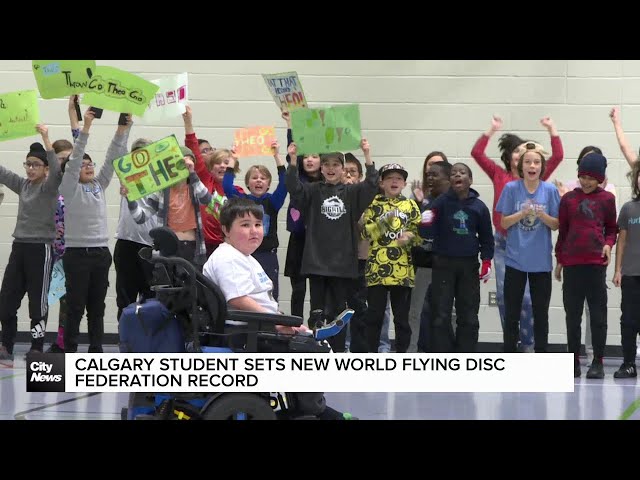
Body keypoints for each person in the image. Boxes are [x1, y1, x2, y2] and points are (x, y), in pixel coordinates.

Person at [203, 197, 356, 420]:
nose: (254, 231)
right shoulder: (228, 258)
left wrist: (283, 320)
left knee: (308, 339)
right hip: (245, 333)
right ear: (226, 229)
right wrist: (277, 322)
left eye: (257, 224)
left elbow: (258, 301)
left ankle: (302, 409)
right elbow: (238, 300)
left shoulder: (243, 257)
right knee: (311, 352)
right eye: (245, 225)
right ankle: (313, 410)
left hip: (255, 327)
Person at [471, 115, 564, 352]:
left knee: (529, 300)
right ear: (513, 159)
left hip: (531, 244)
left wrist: (552, 129)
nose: (523, 159)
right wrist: (491, 130)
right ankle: (512, 345)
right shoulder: (501, 177)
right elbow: (477, 154)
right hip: (504, 242)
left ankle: (529, 343)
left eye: (532, 159)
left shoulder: (540, 179)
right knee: (506, 298)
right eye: (516, 153)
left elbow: (558, 157)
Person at [0, 125, 62, 366]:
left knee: (38, 302)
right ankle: (6, 344)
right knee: (6, 300)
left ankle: (37, 347)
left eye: (35, 165)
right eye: (27, 164)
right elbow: (3, 173)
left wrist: (46, 138)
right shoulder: (23, 185)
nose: (30, 169)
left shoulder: (49, 187)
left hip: (41, 250)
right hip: (20, 248)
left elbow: (57, 172)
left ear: (45, 168)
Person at [555, 153, 617, 379]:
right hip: (572, 265)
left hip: (595, 265)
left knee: (598, 317)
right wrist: (559, 260)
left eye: (592, 177)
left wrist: (609, 245)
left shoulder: (607, 199)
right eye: (583, 176)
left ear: (600, 179)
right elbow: (563, 232)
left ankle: (597, 362)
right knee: (573, 316)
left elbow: (612, 229)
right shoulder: (569, 199)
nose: (586, 181)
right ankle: (573, 361)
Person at [496, 142, 560, 353]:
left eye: (536, 162)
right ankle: (509, 355)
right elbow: (504, 223)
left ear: (542, 167)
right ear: (520, 166)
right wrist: (522, 213)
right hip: (515, 260)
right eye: (528, 162)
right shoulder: (511, 189)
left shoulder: (549, 190)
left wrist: (542, 215)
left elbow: (556, 224)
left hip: (541, 262)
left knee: (541, 313)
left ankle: (541, 354)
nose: (532, 165)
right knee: (512, 312)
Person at [612, 160, 640, 378]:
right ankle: (629, 363)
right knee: (629, 320)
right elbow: (621, 241)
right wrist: (618, 269)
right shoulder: (628, 208)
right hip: (631, 274)